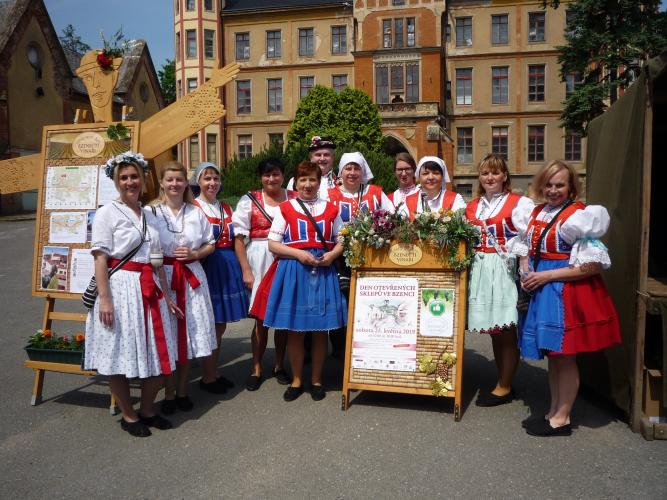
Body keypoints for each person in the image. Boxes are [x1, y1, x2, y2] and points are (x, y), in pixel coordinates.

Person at [513, 160, 621, 437]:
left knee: (565, 357)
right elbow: (526, 248)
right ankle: (553, 411)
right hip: (541, 288)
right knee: (554, 356)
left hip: (563, 292)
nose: (553, 190)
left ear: (571, 187)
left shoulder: (579, 217)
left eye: (559, 185)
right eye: (548, 184)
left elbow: (592, 266)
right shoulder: (536, 212)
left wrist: (546, 276)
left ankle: (562, 418)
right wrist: (526, 271)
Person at [84, 152, 178, 437]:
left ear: (143, 178)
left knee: (157, 350)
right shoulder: (107, 213)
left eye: (134, 176)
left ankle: (147, 410)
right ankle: (128, 414)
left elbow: (157, 258)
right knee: (119, 352)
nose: (130, 182)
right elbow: (100, 259)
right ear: (116, 181)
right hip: (121, 288)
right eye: (123, 177)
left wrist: (167, 295)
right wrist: (105, 299)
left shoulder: (149, 214)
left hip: (150, 287)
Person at [263, 161, 347, 402]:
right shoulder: (285, 208)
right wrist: (299, 254)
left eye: (312, 179)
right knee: (296, 331)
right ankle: (297, 379)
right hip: (295, 270)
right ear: (296, 183)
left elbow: (342, 239)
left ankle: (317, 379)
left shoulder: (331, 209)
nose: (308, 184)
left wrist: (332, 255)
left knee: (321, 331)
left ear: (319, 183)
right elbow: (273, 244)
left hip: (323, 269)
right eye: (303, 180)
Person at [465, 153, 534, 407]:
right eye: (485, 173)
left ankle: (504, 386)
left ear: (505, 176)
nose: (490, 177)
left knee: (506, 329)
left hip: (504, 268)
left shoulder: (519, 203)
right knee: (495, 330)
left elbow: (528, 239)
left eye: (495, 172)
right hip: (480, 268)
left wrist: (525, 271)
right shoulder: (473, 206)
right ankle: (503, 380)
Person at [149, 161, 217, 414]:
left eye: (179, 179)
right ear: (161, 183)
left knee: (187, 336)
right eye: (170, 179)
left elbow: (210, 243)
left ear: (186, 183)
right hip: (162, 277)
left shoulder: (195, 212)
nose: (175, 184)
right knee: (168, 336)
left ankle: (182, 391)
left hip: (191, 277)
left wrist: (195, 253)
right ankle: (168, 393)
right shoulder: (151, 212)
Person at [232, 158, 297, 391]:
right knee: (261, 318)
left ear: (283, 175)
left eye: (276, 174)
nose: (271, 179)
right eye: (267, 175)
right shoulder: (249, 200)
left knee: (283, 318)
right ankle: (256, 367)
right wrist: (246, 270)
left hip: (287, 258)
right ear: (261, 177)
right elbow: (239, 239)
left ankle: (279, 365)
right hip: (259, 259)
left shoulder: (294, 198)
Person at [192, 162, 249, 394]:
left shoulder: (225, 207)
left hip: (226, 265)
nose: (212, 183)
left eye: (215, 178)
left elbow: (237, 238)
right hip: (207, 266)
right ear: (198, 182)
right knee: (212, 324)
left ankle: (212, 372)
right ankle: (207, 376)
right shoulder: (194, 207)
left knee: (220, 324)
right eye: (207, 178)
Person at [328, 151, 394, 222]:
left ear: (362, 172)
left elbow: (393, 216)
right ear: (341, 172)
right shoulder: (330, 196)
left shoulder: (376, 193)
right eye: (348, 169)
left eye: (356, 169)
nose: (352, 173)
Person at [286, 135, 337, 200]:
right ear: (310, 157)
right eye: (318, 155)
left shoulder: (341, 182)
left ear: (333, 157)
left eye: (326, 155)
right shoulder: (295, 182)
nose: (322, 158)